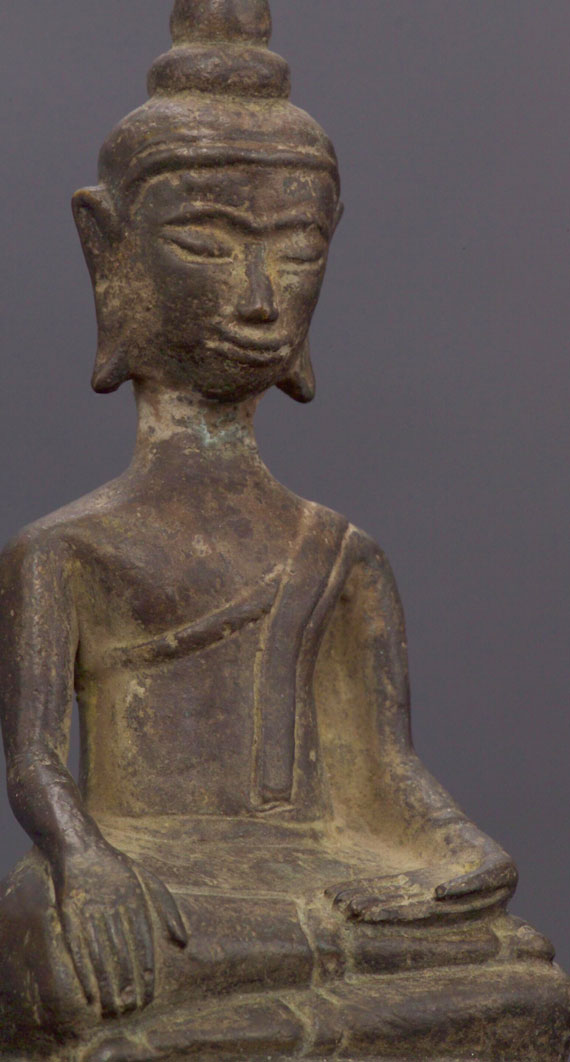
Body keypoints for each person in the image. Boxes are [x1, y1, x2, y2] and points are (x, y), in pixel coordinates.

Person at [0, 2, 568, 1059]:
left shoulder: (339, 553)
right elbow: (35, 767)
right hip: (169, 890)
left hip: (319, 884)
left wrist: (465, 857)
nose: (261, 297)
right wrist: (86, 860)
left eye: (298, 251)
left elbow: (388, 775)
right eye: (208, 243)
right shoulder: (65, 551)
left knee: (520, 971)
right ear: (109, 253)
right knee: (57, 940)